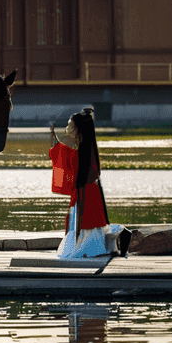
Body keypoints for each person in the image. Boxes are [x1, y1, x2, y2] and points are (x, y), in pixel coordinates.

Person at [50, 108, 131, 259]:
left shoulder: (85, 148)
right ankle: (94, 245)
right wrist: (56, 143)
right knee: (89, 225)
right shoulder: (85, 145)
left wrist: (57, 146)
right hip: (87, 190)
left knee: (87, 224)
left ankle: (96, 244)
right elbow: (71, 159)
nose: (68, 128)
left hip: (86, 192)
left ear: (78, 128)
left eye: (70, 125)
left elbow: (73, 162)